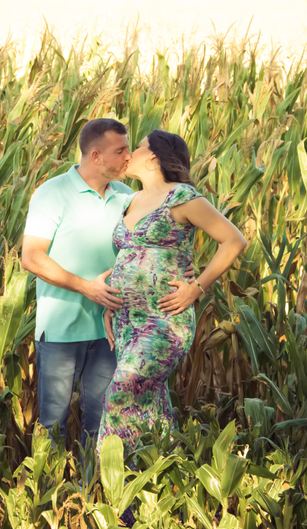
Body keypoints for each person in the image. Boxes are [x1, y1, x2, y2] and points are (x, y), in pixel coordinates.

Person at [20, 119, 196, 457]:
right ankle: (45, 497)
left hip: (114, 330)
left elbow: (155, 245)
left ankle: (94, 495)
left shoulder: (128, 197)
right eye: (121, 151)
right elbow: (31, 257)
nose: (129, 156)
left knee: (103, 423)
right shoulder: (52, 193)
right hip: (61, 331)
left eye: (130, 148)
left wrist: (186, 271)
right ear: (97, 155)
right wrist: (87, 288)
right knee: (52, 423)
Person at [97, 129, 248, 461]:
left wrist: (196, 288)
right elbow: (128, 255)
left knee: (122, 388)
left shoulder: (182, 196)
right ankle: (163, 479)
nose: (128, 154)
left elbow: (234, 240)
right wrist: (112, 300)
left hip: (164, 320)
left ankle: (112, 481)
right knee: (150, 403)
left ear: (152, 156)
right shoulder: (131, 200)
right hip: (127, 321)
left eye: (135, 148)